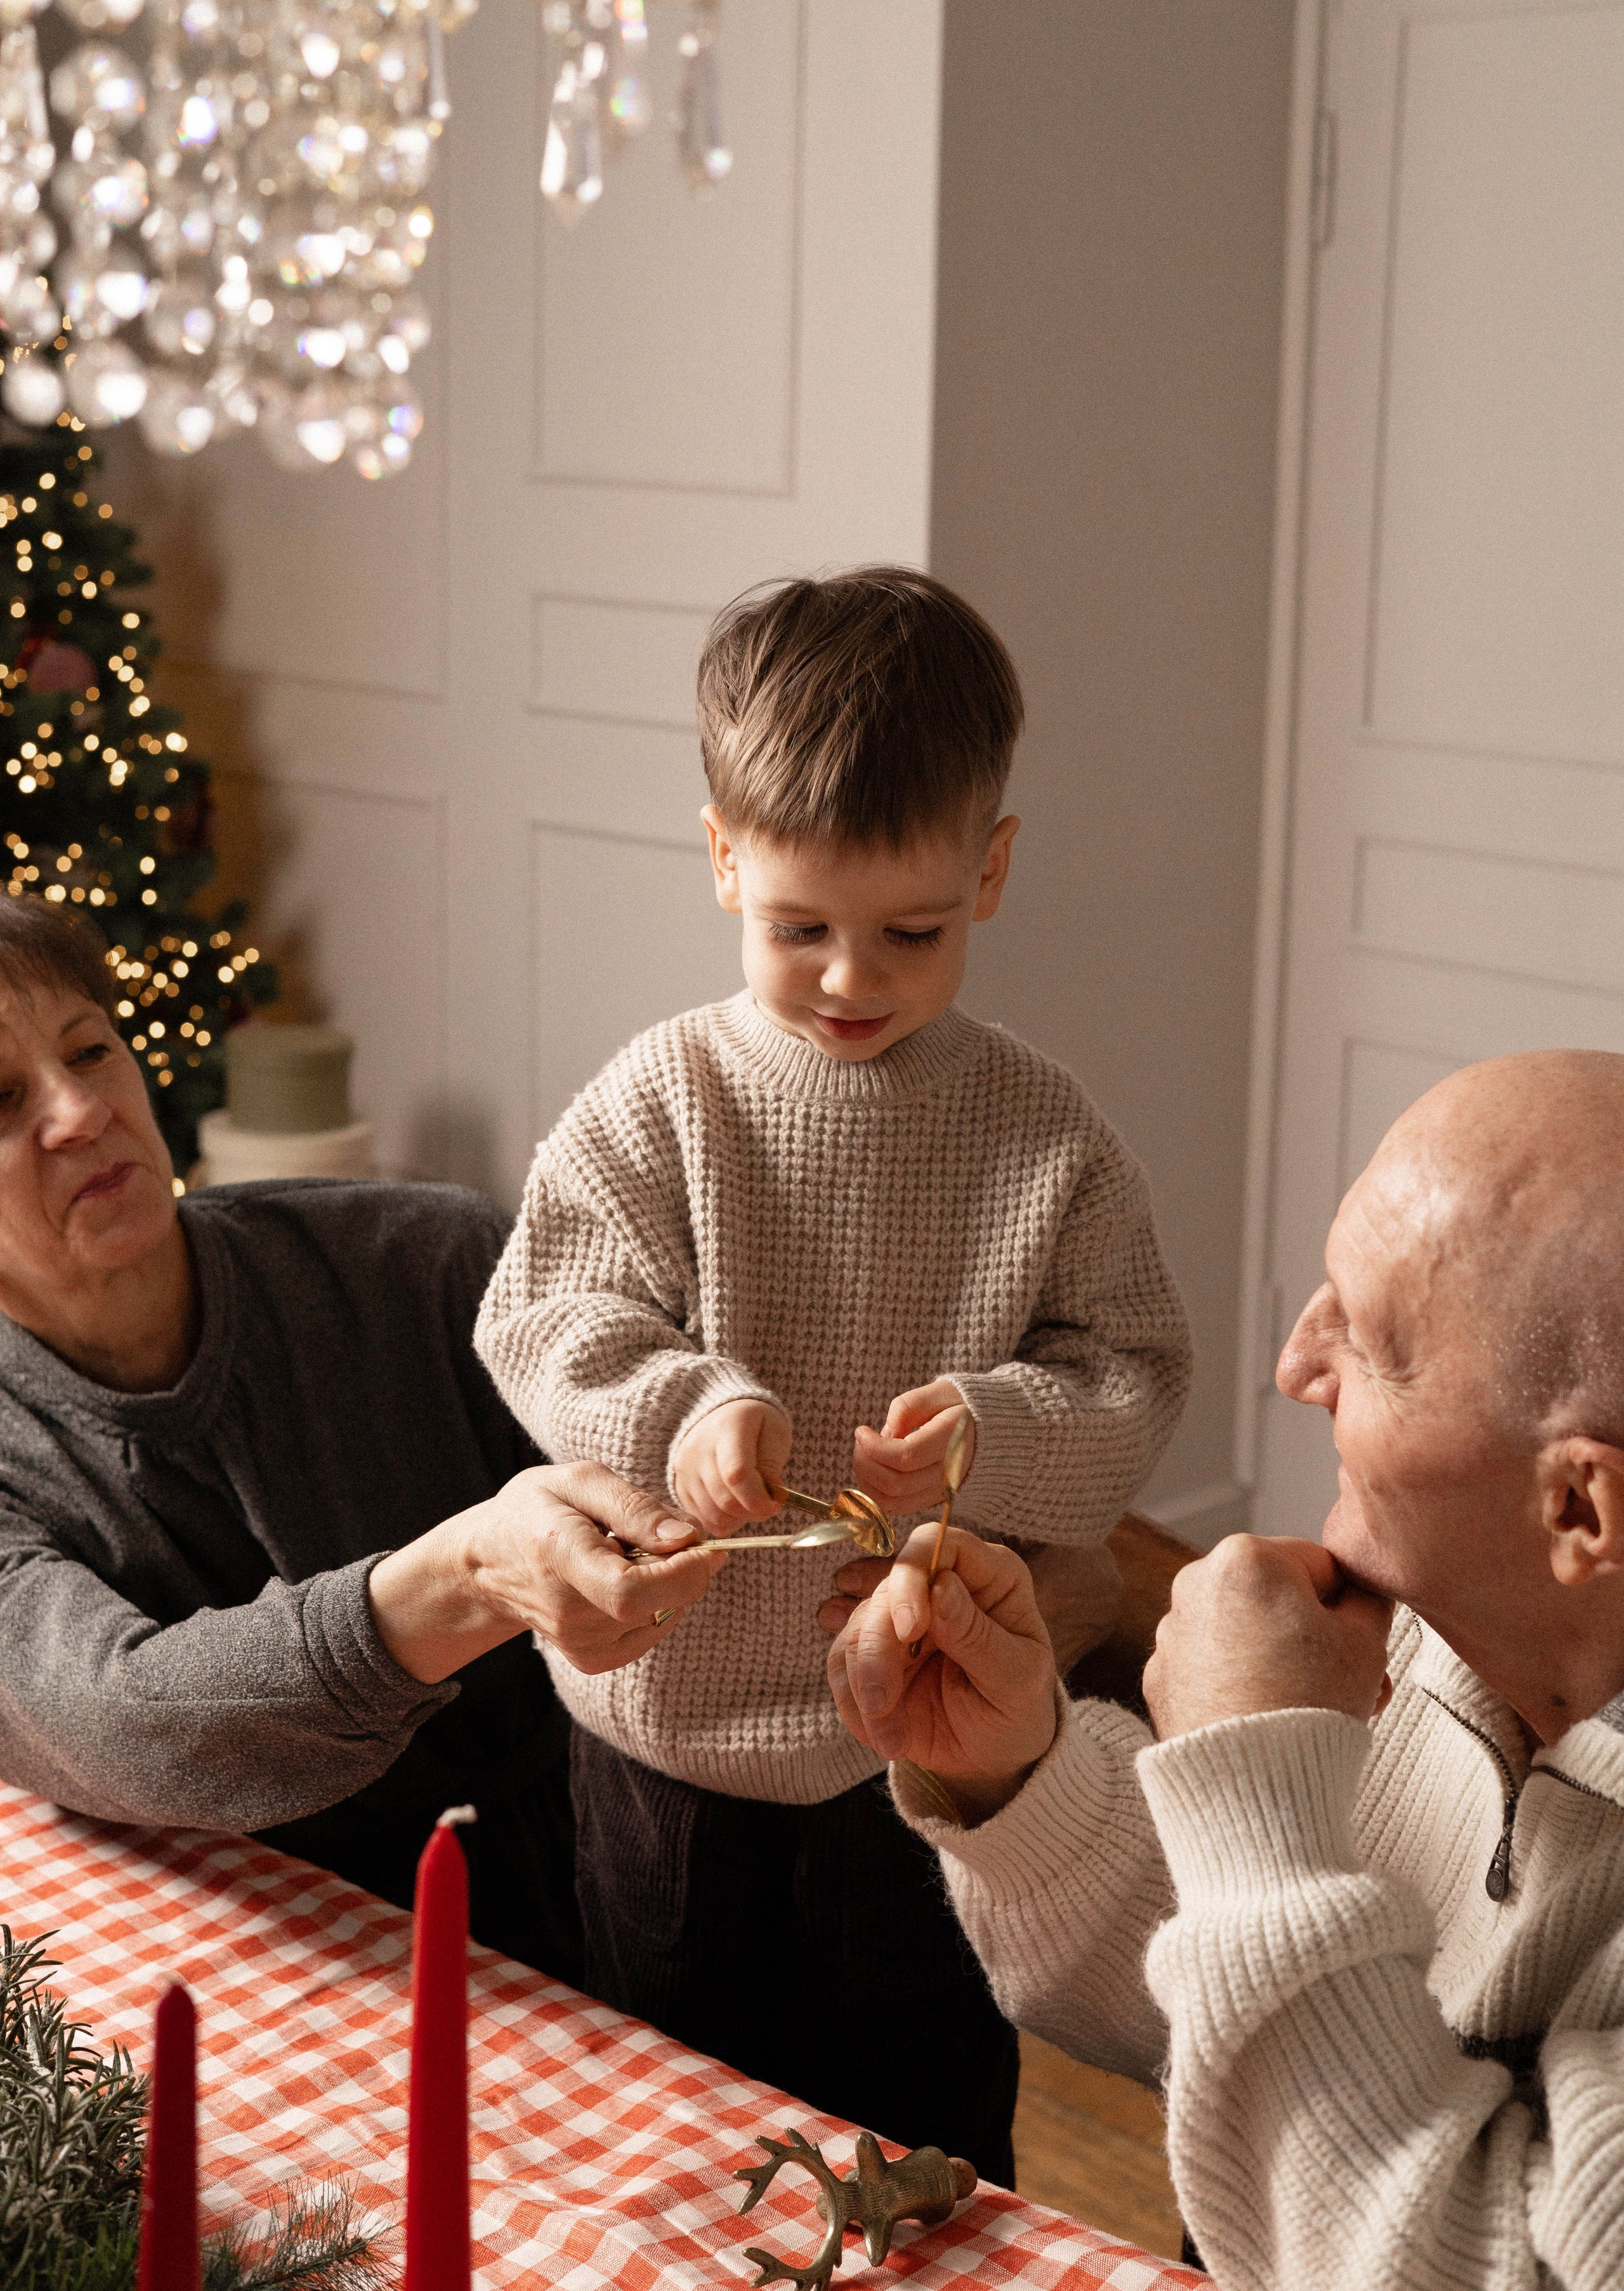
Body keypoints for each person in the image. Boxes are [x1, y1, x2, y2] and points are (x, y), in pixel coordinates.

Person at [475, 565, 1193, 2181]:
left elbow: (1133, 1375)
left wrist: (989, 1441)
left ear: (990, 871)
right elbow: (544, 1309)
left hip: (928, 1749)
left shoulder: (1043, 1135)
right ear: (721, 857)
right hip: (662, 1742)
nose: (851, 978)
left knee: (918, 2128)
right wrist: (688, 1407)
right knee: (671, 2117)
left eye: (909, 932)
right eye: (798, 929)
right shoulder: (664, 1097)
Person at [825, 1048, 1624, 2290]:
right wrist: (1017, 1776)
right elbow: (1246, 2003)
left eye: (1372, 1343)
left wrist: (1252, 1773)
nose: (1295, 1368)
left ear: (1578, 1507)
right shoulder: (1430, 1638)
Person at [0, 893, 720, 1976]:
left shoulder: (436, 1264)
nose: (79, 1111)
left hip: (612, 1896)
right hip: (269, 1972)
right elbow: (119, 1717)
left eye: (90, 1050)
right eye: (2, 1101)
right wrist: (468, 1577)